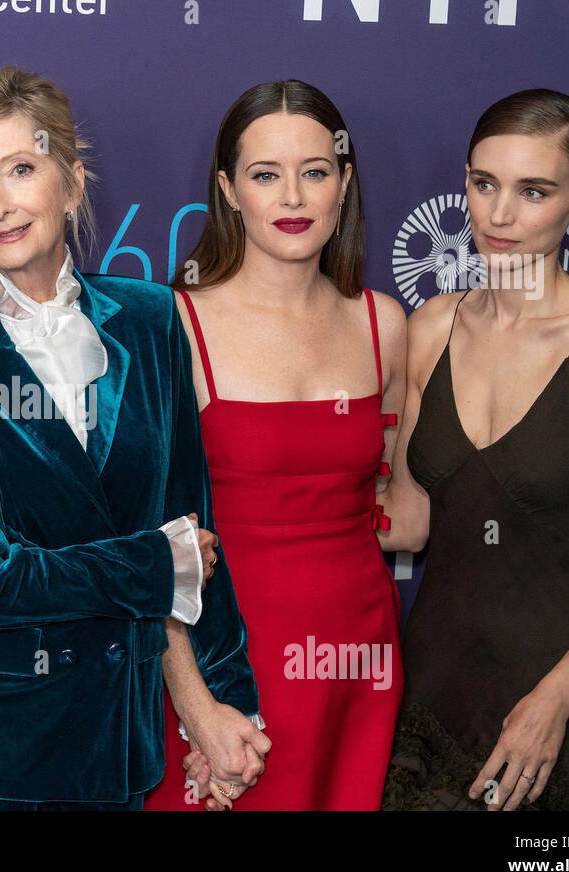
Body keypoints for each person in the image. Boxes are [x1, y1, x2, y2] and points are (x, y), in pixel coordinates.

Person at [0, 65, 267, 810]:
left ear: (72, 181)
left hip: (123, 745)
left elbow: (195, 528)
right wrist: (154, 559)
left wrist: (224, 710)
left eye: (21, 169)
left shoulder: (154, 319)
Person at [378, 89, 569, 810]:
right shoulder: (429, 327)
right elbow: (410, 518)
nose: (500, 215)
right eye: (483, 184)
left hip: (559, 703)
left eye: (534, 191)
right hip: (431, 698)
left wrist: (555, 700)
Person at [144, 81, 406, 811]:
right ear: (229, 190)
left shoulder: (385, 324)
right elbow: (145, 542)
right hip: (224, 668)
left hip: (358, 661)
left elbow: (405, 504)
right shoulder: (172, 322)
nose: (293, 196)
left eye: (316, 172)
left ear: (344, 182)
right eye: (266, 175)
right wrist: (196, 706)